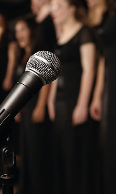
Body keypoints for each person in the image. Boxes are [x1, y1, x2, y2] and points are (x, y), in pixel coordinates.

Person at [48, 0, 98, 193]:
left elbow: (89, 70)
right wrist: (51, 101)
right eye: (51, 7)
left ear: (72, 8)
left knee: (75, 154)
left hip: (74, 100)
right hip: (60, 103)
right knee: (61, 154)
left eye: (57, 6)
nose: (54, 11)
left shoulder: (83, 32)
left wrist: (83, 103)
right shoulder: (60, 38)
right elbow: (56, 73)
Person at [14, 18, 52, 194]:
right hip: (26, 107)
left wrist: (41, 105)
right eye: (16, 31)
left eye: (22, 29)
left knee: (37, 152)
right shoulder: (23, 54)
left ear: (32, 31)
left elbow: (46, 81)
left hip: (36, 105)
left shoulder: (39, 53)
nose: (18, 34)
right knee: (27, 150)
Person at [87, 1, 116, 193]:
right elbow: (102, 59)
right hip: (109, 80)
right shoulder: (101, 17)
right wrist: (97, 96)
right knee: (108, 139)